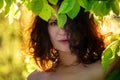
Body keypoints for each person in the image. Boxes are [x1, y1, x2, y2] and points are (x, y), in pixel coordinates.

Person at [24, 1, 108, 80]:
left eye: (69, 22)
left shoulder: (106, 66)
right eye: (54, 23)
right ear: (45, 30)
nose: (62, 31)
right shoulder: (35, 78)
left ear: (84, 26)